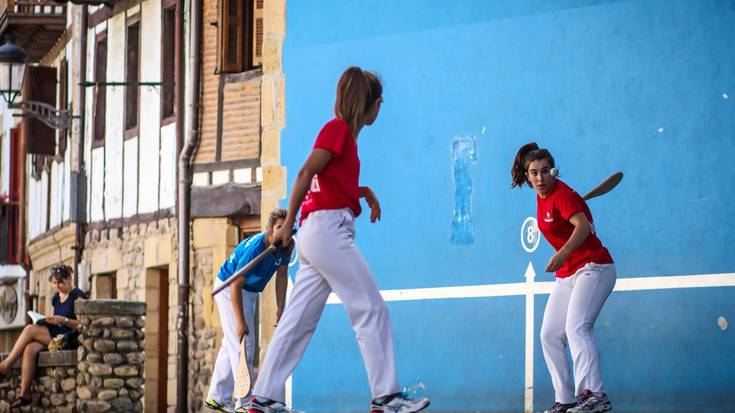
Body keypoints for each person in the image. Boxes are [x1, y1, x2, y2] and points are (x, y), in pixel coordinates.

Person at [247, 67, 430, 413]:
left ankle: (263, 398)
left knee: (298, 320)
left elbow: (329, 183)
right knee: (371, 308)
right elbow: (305, 172)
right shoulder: (339, 131)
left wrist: (361, 191)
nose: (381, 109)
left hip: (320, 232)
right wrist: (286, 223)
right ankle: (386, 397)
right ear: (371, 105)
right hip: (328, 232)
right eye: (380, 103)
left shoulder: (344, 138)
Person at [511, 143, 616, 413]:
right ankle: (565, 399)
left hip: (594, 267)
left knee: (577, 327)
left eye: (545, 171)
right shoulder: (543, 195)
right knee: (549, 334)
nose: (540, 178)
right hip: (568, 273)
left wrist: (562, 253)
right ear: (527, 176)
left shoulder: (562, 194)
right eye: (534, 173)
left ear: (553, 172)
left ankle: (594, 394)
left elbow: (582, 227)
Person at [205, 208, 294, 412]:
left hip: (250, 292)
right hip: (230, 287)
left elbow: (281, 276)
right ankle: (244, 403)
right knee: (244, 342)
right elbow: (235, 285)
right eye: (279, 227)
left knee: (231, 343)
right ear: (270, 230)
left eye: (287, 227)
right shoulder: (257, 248)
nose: (284, 232)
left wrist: (281, 307)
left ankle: (217, 396)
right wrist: (240, 321)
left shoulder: (287, 246)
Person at [0, 264, 85, 409]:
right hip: (55, 334)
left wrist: (62, 320)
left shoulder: (78, 296)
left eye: (60, 283)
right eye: (54, 283)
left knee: (29, 330)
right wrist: (48, 320)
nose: (57, 286)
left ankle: (5, 366)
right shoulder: (56, 298)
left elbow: (82, 323)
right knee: (30, 348)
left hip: (68, 338)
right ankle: (25, 393)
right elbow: (56, 320)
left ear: (70, 280)